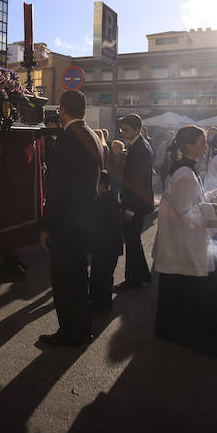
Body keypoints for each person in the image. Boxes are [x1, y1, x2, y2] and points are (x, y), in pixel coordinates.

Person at [152, 126, 217, 358]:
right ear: (188, 146)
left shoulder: (185, 171)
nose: (206, 148)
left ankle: (173, 332)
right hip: (183, 246)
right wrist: (212, 210)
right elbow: (187, 212)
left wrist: (206, 201)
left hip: (181, 245)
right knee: (190, 296)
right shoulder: (184, 174)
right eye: (202, 143)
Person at [38, 90, 103, 347]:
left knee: (65, 281)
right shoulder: (92, 134)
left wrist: (46, 226)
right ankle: (81, 328)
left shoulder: (68, 138)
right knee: (78, 279)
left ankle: (70, 332)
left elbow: (57, 188)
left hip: (67, 223)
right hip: (85, 220)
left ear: (63, 108)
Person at [115, 114, 154, 291]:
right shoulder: (138, 145)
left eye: (127, 130)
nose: (123, 133)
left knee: (131, 241)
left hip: (135, 204)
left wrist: (130, 209)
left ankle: (133, 280)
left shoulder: (141, 148)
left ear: (137, 130)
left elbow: (139, 182)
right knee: (133, 241)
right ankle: (142, 275)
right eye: (122, 129)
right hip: (136, 202)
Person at [89, 170, 123, 313]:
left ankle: (100, 305)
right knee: (104, 276)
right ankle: (102, 303)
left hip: (104, 249)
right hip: (112, 249)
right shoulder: (112, 200)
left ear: (100, 185)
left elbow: (99, 228)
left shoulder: (102, 203)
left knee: (100, 276)